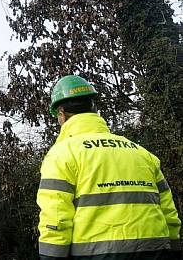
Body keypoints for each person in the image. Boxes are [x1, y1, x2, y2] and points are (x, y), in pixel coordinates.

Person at [38, 75, 182, 260]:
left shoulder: (62, 154)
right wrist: (176, 250)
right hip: (157, 252)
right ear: (94, 110)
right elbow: (169, 213)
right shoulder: (142, 153)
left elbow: (56, 219)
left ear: (61, 114)